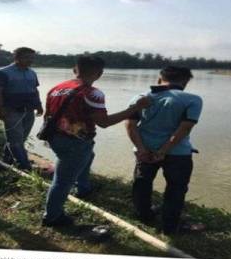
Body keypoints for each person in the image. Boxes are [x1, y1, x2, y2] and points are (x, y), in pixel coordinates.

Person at [42, 55, 151, 227]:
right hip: (74, 143)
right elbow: (104, 123)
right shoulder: (93, 93)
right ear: (100, 73)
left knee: (88, 155)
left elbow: (48, 115)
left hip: (56, 137)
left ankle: (83, 188)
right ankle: (52, 217)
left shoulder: (56, 88)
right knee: (62, 181)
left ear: (74, 69)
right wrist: (135, 108)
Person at [125, 66, 202, 235]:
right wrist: (163, 151)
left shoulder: (140, 97)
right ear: (185, 81)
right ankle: (170, 227)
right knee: (176, 188)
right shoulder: (193, 100)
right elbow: (184, 129)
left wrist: (141, 149)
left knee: (142, 184)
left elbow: (130, 126)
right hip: (178, 154)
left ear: (160, 79)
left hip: (144, 152)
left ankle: (143, 215)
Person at [0, 47, 43, 171]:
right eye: (27, 57)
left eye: (32, 58)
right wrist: (0, 110)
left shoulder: (32, 73)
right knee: (15, 141)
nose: (30, 60)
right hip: (11, 111)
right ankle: (25, 167)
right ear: (16, 58)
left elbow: (34, 89)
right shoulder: (3, 73)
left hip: (29, 110)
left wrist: (39, 105)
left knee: (20, 139)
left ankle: (6, 161)